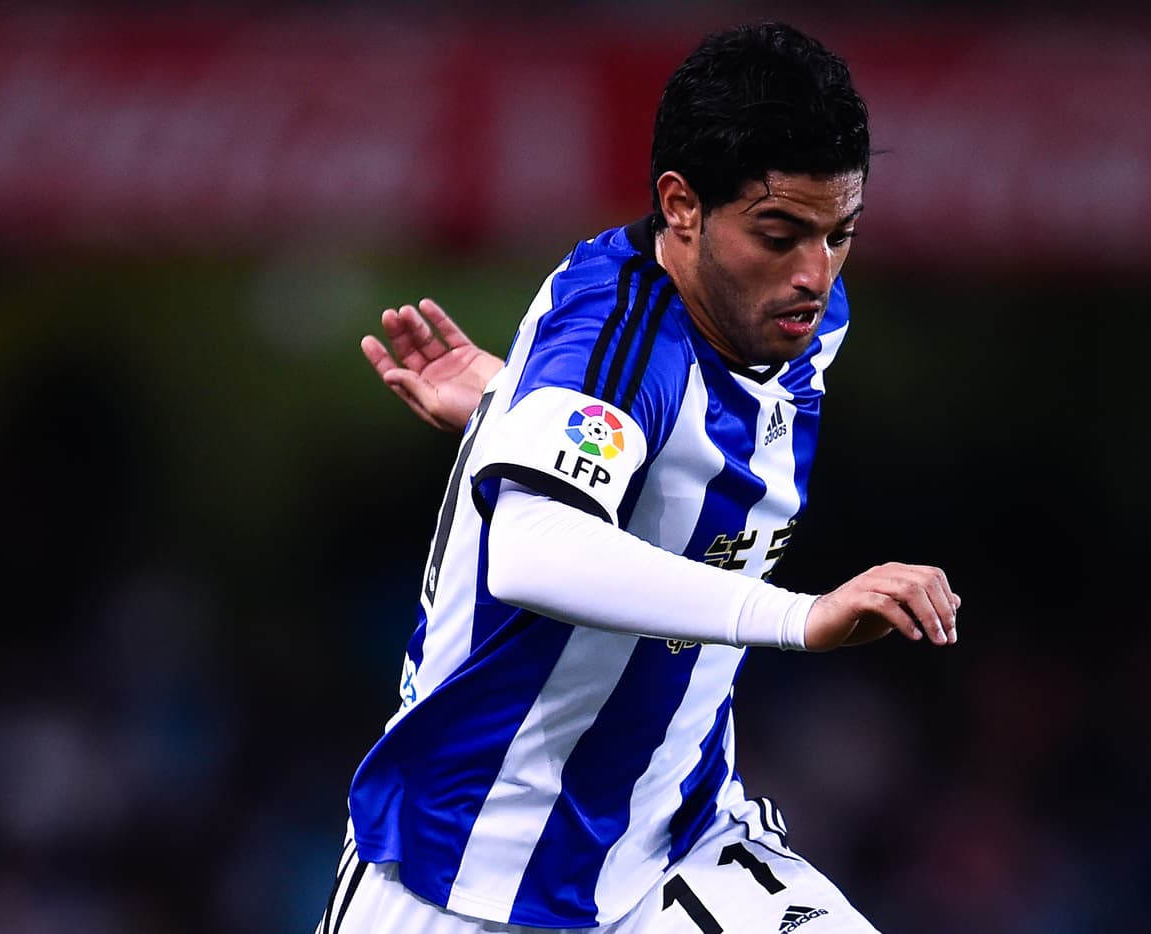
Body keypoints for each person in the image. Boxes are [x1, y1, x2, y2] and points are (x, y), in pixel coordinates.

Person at [319, 22, 959, 934]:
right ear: (683, 206)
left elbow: (681, 449)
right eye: (781, 234)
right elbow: (532, 550)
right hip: (470, 866)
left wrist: (522, 410)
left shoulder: (796, 320)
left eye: (840, 234)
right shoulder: (614, 340)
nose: (816, 275)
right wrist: (800, 617)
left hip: (677, 842)